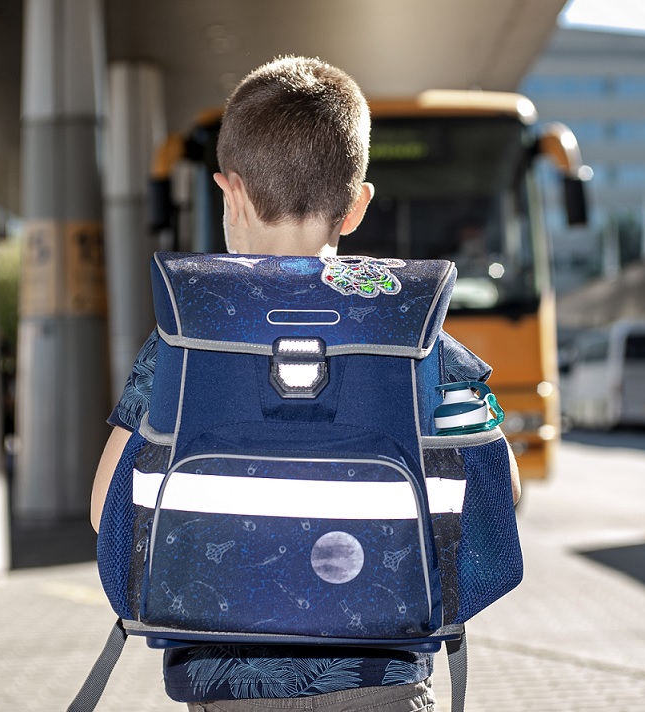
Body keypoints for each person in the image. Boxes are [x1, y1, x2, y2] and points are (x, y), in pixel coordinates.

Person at [90, 55, 520, 712]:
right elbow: (501, 490)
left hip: (227, 683)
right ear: (355, 206)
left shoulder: (187, 331)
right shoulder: (412, 327)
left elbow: (107, 512)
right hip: (382, 680)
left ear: (228, 191)